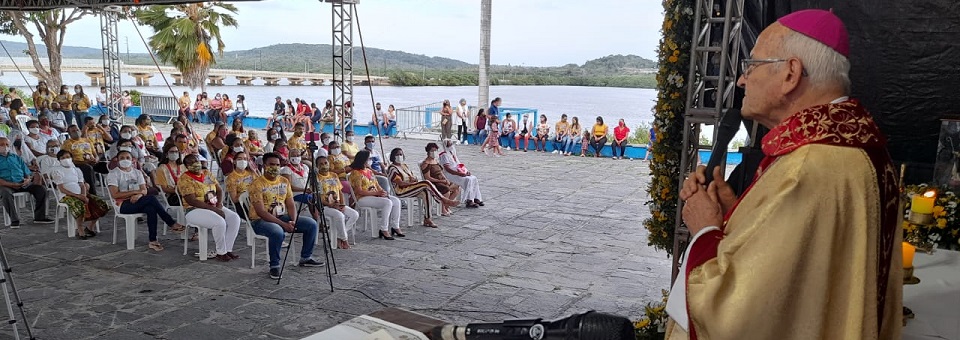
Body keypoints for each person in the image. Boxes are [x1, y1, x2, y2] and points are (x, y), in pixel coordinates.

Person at [666, 9, 900, 340]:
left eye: (752, 66)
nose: (742, 80)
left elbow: (737, 314)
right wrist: (735, 215)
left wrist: (704, 229)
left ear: (791, 74)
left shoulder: (810, 167)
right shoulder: (857, 148)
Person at [249, 152, 324, 279]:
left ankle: (306, 257)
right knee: (278, 232)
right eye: (271, 164)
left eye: (277, 165)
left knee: (311, 224)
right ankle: (274, 266)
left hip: (280, 216)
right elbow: (261, 212)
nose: (275, 167)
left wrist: (293, 220)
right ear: (264, 165)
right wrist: (284, 224)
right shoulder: (257, 184)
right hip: (260, 220)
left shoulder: (284, 181)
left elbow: (290, 204)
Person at [108, 150, 182, 251]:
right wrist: (136, 192)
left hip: (138, 201)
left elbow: (144, 190)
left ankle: (153, 240)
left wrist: (139, 195)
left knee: (151, 208)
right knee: (151, 199)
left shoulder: (137, 172)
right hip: (122, 204)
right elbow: (115, 194)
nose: (125, 160)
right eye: (122, 158)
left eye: (128, 158)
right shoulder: (114, 174)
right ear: (117, 160)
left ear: (133, 160)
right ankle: (171, 223)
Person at [177, 154, 241, 262]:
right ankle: (221, 252)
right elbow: (191, 200)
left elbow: (219, 190)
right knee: (219, 222)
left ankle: (228, 249)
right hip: (194, 209)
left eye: (196, 161)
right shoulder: (184, 179)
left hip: (214, 205)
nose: (195, 164)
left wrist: (219, 205)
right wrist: (214, 210)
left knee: (234, 218)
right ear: (186, 166)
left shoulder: (207, 173)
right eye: (191, 163)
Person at [387, 148, 459, 227]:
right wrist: (412, 183)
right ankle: (443, 199)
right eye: (397, 155)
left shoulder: (404, 166)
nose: (399, 156)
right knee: (426, 183)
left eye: (401, 154)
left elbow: (413, 177)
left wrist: (414, 179)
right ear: (393, 156)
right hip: (401, 190)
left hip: (411, 187)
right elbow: (400, 183)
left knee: (426, 192)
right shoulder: (392, 168)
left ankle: (428, 218)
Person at [52, 150, 110, 239]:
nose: (66, 159)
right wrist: (78, 196)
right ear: (59, 160)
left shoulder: (77, 170)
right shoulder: (57, 171)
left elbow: (82, 185)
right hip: (66, 196)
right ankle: (80, 228)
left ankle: (90, 227)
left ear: (71, 158)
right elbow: (62, 189)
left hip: (80, 194)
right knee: (79, 205)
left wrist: (83, 195)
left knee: (101, 204)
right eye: (63, 158)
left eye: (68, 157)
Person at [348, 150, 403, 240]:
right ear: (363, 160)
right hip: (362, 198)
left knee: (396, 201)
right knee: (387, 203)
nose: (370, 161)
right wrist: (376, 193)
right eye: (368, 159)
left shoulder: (369, 171)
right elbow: (359, 191)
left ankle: (395, 226)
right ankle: (384, 229)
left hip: (374, 195)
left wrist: (383, 192)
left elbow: (376, 185)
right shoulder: (356, 173)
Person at [0, 137, 53, 227]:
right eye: (2, 145)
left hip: (22, 183)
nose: (5, 147)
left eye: (7, 145)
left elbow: (26, 172)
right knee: (5, 193)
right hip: (6, 185)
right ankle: (14, 220)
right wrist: (12, 184)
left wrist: (27, 180)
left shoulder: (16, 157)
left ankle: (39, 217)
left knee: (41, 189)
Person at [315, 152, 358, 249]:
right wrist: (330, 205)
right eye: (321, 164)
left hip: (337, 204)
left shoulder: (334, 175)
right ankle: (344, 240)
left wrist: (342, 204)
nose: (324, 165)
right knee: (340, 216)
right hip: (325, 206)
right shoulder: (316, 178)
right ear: (317, 166)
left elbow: (340, 192)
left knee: (354, 214)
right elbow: (318, 197)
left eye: (325, 163)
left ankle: (339, 236)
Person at [438, 140, 483, 208]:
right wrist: (459, 174)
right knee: (468, 180)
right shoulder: (444, 155)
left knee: (474, 178)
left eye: (451, 144)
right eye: (449, 145)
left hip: (458, 172)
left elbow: (459, 164)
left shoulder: (452, 153)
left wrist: (466, 171)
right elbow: (448, 169)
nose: (451, 146)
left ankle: (476, 198)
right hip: (450, 174)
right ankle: (469, 200)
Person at [62, 124, 100, 195]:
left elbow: (95, 154)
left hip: (92, 162)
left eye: (77, 130)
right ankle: (92, 194)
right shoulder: (67, 143)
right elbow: (68, 160)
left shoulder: (87, 140)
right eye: (73, 131)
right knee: (88, 168)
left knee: (107, 166)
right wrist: (85, 162)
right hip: (78, 164)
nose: (76, 132)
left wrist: (96, 159)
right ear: (69, 134)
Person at [225, 151, 256, 219]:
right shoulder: (231, 178)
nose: (243, 161)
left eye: (245, 159)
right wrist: (246, 194)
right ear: (234, 162)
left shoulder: (251, 173)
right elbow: (234, 199)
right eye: (239, 159)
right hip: (243, 204)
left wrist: (255, 171)